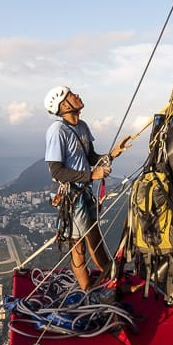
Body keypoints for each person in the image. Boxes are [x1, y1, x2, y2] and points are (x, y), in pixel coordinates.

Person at [43, 86, 131, 291]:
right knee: (81, 245)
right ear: (64, 105)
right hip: (73, 196)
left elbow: (91, 158)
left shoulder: (82, 126)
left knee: (94, 239)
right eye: (72, 95)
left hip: (84, 192)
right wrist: (91, 175)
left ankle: (109, 283)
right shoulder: (57, 131)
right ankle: (91, 288)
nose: (77, 96)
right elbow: (56, 171)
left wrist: (114, 153)